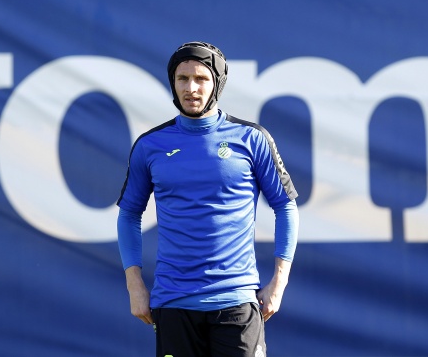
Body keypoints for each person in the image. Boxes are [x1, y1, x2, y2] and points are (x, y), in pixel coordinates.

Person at [116, 41, 299, 357]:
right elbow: (130, 214)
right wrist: (135, 285)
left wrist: (278, 283)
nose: (191, 88)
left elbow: (286, 206)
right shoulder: (150, 145)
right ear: (173, 83)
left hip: (236, 303)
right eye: (182, 79)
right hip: (173, 304)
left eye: (201, 79)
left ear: (217, 84)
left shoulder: (252, 138)